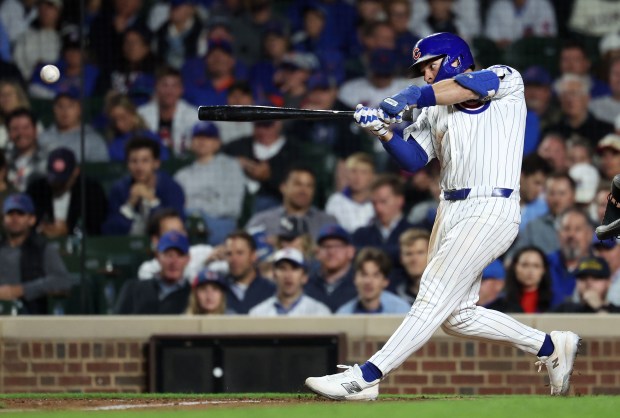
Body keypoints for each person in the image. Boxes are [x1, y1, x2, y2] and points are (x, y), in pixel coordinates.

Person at [305, 32, 580, 401]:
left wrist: (407, 97)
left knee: (433, 293)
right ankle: (549, 346)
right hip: (450, 208)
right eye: (422, 70)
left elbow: (469, 86)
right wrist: (383, 132)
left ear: (453, 59)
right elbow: (413, 160)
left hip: (490, 206)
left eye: (431, 65)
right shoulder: (432, 108)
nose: (427, 75)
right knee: (456, 316)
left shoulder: (505, 78)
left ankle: (366, 376)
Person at [174, 121, 245, 246]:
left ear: (217, 143)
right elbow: (178, 208)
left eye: (208, 137)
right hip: (190, 224)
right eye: (198, 137)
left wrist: (200, 210)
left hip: (220, 223)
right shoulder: (182, 175)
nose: (202, 141)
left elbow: (233, 208)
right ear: (191, 143)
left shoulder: (230, 167)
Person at [0, 193, 72, 314]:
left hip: (30, 315)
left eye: (20, 214)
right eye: (10, 214)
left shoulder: (43, 248)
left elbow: (62, 281)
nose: (14, 218)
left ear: (31, 219)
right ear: (3, 219)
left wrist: (21, 290)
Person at [102, 137, 185, 236]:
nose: (139, 167)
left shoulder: (171, 188)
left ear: (156, 163)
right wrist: (130, 205)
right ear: (127, 164)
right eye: (133, 161)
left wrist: (153, 201)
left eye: (145, 161)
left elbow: (174, 230)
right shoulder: (119, 190)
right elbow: (110, 232)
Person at [26, 147, 107, 237]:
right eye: (55, 180)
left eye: (63, 181)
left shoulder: (90, 191)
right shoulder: (37, 190)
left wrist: (69, 230)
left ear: (76, 172)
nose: (58, 184)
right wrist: (41, 230)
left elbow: (95, 226)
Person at [245, 165, 337, 241]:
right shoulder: (262, 222)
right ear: (283, 187)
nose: (303, 191)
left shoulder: (327, 222)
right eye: (298, 184)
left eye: (309, 186)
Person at [115, 230, 192, 315]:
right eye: (168, 255)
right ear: (158, 257)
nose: (174, 261)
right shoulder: (133, 290)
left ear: (188, 259)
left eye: (179, 255)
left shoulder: (194, 295)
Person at [352, 174, 419, 269]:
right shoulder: (361, 235)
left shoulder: (415, 233)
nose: (378, 208)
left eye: (383, 201)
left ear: (400, 200)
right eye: (374, 203)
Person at [137, 208, 222, 281]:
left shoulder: (203, 251)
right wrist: (203, 265)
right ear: (156, 240)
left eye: (182, 230)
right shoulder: (148, 269)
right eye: (173, 233)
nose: (180, 237)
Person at [249, 248, 330, 316]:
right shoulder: (258, 313)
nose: (288, 275)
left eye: (294, 269)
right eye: (282, 268)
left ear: (304, 277)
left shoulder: (319, 312)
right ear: (274, 275)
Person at [137, 66, 198, 157]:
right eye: (164, 85)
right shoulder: (142, 113)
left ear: (181, 90)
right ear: (156, 87)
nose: (169, 91)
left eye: (174, 86)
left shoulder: (193, 115)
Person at [38, 89, 109, 163]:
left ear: (79, 109)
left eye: (70, 106)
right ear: (54, 109)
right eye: (60, 106)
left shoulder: (92, 139)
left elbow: (99, 170)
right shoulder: (43, 137)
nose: (64, 111)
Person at [337, 247, 411, 315]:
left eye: (375, 275)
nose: (368, 281)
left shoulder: (401, 311)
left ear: (385, 282)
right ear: (355, 279)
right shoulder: (343, 314)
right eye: (364, 274)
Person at [304, 224, 357, 312]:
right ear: (317, 252)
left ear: (350, 251)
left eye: (337, 246)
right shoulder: (307, 285)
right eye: (326, 246)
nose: (331, 252)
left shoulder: (359, 284)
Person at [223, 230, 275, 314]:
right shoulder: (218, 290)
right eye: (229, 254)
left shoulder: (271, 290)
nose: (234, 259)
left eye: (240, 253)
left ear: (253, 256)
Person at [488, 246, 553, 313]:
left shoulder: (555, 303)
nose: (530, 271)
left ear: (544, 270)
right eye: (525, 265)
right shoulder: (498, 306)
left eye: (536, 266)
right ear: (515, 267)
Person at [325, 152, 375, 233]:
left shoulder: (377, 201)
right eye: (353, 171)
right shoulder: (335, 201)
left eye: (363, 172)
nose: (357, 177)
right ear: (347, 174)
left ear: (371, 176)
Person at [552, 256, 620, 313]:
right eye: (583, 278)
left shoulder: (617, 312)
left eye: (596, 277)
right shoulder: (563, 310)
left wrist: (599, 307)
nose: (589, 283)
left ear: (609, 282)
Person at [4, 108, 47, 192]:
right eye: (15, 129)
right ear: (8, 133)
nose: (21, 133)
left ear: (35, 130)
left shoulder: (48, 159)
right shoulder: (4, 159)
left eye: (26, 128)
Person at [393, 229, 430, 304]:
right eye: (409, 254)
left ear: (431, 255)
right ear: (401, 258)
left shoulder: (446, 289)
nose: (414, 259)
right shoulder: (395, 292)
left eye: (420, 253)